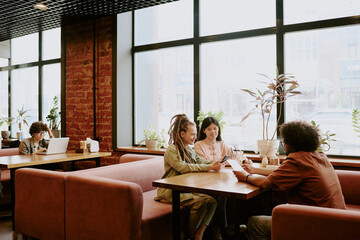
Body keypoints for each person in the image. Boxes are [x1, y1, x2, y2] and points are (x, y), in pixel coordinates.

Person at [233, 120, 346, 240]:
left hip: (319, 223)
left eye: (284, 140)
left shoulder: (297, 160)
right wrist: (254, 170)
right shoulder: (318, 156)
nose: (283, 143)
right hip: (338, 219)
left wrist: (245, 176)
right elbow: (281, 172)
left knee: (255, 223)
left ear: (292, 143)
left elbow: (265, 184)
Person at [155, 114, 222, 240]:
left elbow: (200, 161)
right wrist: (209, 167)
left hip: (185, 189)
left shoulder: (189, 150)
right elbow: (183, 167)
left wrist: (216, 163)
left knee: (212, 202)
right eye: (192, 134)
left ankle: (198, 234)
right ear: (182, 134)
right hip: (170, 191)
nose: (195, 137)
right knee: (200, 203)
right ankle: (190, 236)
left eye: (195, 134)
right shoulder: (172, 150)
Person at [194, 117, 232, 239]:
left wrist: (245, 160)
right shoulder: (198, 145)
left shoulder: (223, 145)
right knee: (221, 196)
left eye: (215, 128)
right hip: (204, 181)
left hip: (220, 180)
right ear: (204, 130)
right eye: (209, 129)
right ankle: (219, 230)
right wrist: (217, 163)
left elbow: (233, 158)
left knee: (226, 195)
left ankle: (223, 228)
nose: (213, 131)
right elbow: (203, 163)